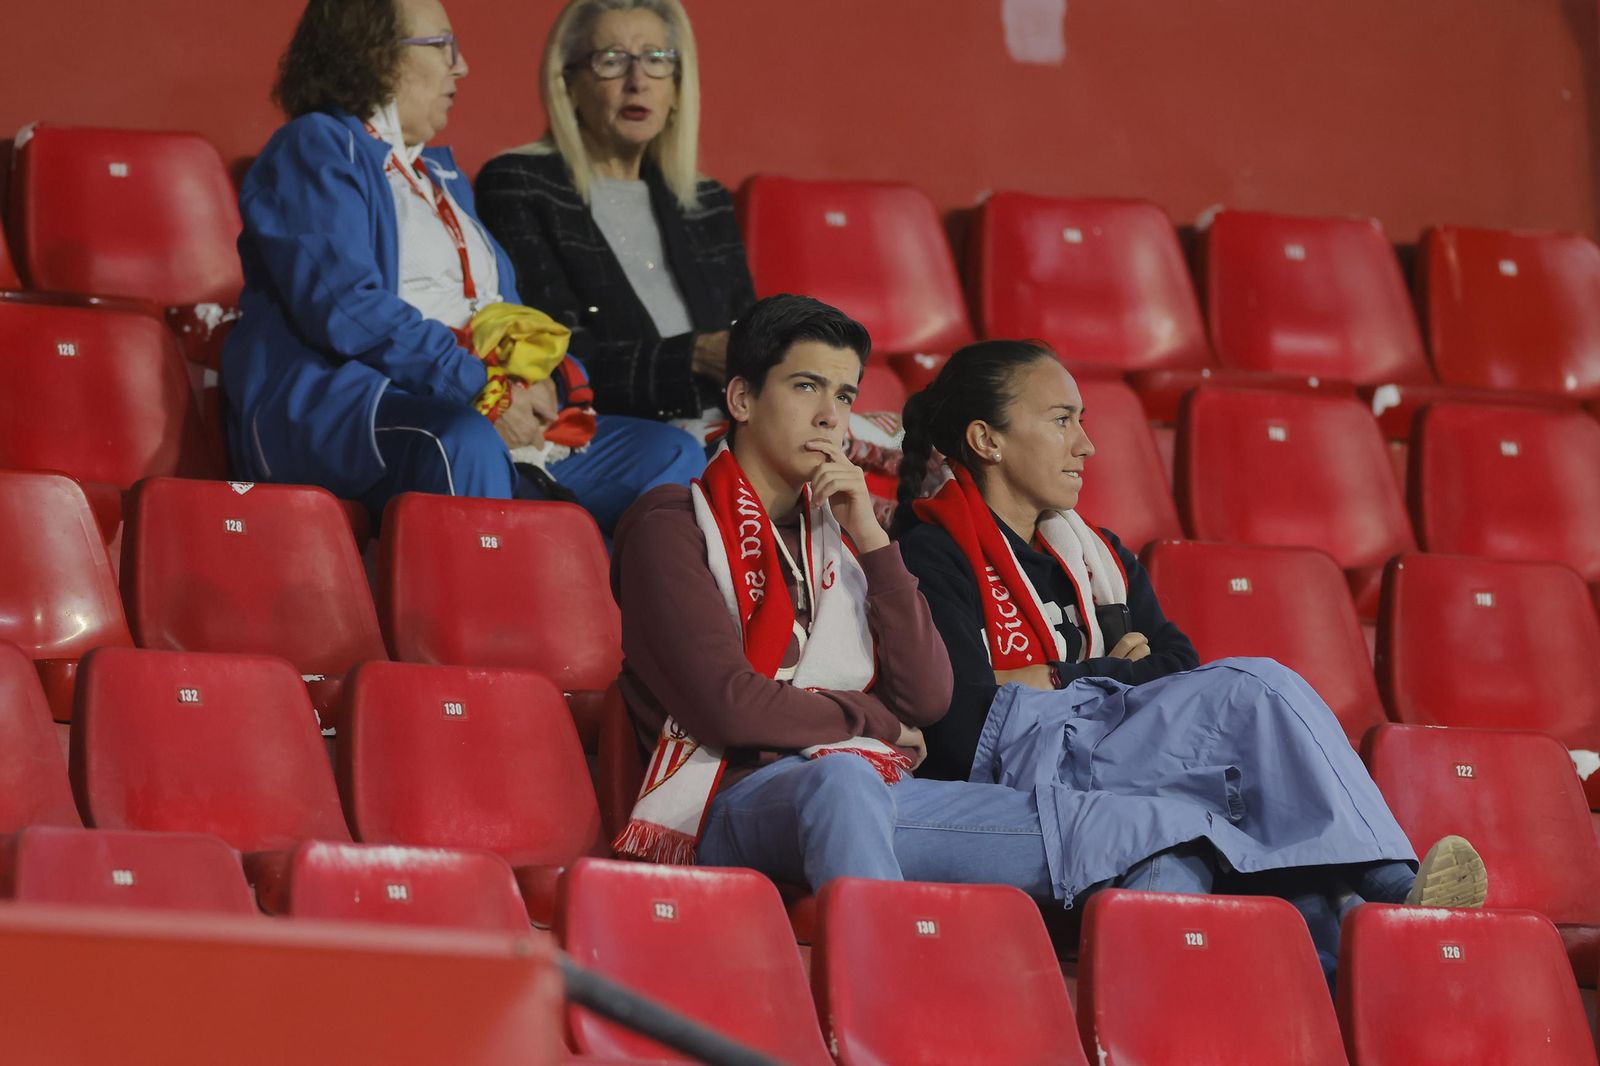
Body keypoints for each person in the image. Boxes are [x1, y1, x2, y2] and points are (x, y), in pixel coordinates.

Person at [607, 293, 1280, 903]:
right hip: (737, 799)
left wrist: (872, 539)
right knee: (842, 785)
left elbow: (926, 700)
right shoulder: (673, 524)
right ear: (743, 399)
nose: (829, 416)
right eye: (806, 386)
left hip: (879, 787)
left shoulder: (843, 533)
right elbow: (730, 707)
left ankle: (1144, 1029)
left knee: (1158, 828)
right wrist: (873, 722)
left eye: (844, 396)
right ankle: (880, 1013)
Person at [893, 339, 1488, 984]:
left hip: (1113, 749)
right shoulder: (931, 557)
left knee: (1217, 831)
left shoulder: (1100, 559)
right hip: (1018, 774)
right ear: (987, 439)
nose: (1086, 444)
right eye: (1062, 420)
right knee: (1257, 688)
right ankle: (1391, 889)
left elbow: (1175, 663)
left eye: (1083, 420)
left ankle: (1348, 980)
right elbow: (958, 718)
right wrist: (1106, 672)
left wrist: (1064, 677)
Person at [222, 0, 703, 533]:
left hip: (464, 393)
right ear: (378, 56)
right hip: (345, 411)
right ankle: (487, 610)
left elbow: (501, 308)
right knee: (461, 441)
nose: (461, 66)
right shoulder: (314, 147)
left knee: (667, 455)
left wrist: (542, 380)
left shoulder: (438, 176)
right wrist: (482, 391)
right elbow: (346, 307)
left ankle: (601, 611)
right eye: (443, 47)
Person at [475, 0, 750, 427]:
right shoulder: (519, 184)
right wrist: (691, 356)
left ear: (677, 86)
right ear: (568, 84)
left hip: (732, 434)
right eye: (611, 61)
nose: (637, 81)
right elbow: (556, 359)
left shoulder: (706, 202)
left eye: (656, 59)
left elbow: (748, 337)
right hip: (616, 434)